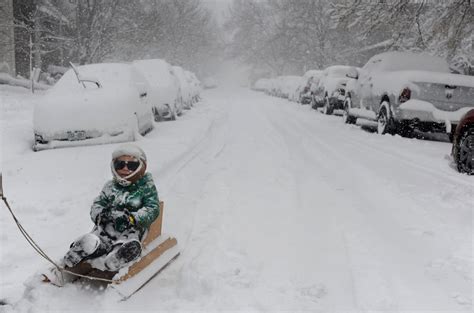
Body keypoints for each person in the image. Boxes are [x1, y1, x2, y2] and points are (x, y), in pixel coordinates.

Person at [63, 143, 160, 272]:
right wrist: (101, 214)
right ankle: (88, 247)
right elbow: (98, 204)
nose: (125, 168)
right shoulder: (110, 186)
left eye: (131, 165)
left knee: (127, 239)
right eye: (120, 165)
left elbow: (152, 208)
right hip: (107, 226)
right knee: (99, 237)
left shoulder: (146, 187)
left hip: (131, 228)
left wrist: (132, 218)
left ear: (141, 167)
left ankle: (119, 255)